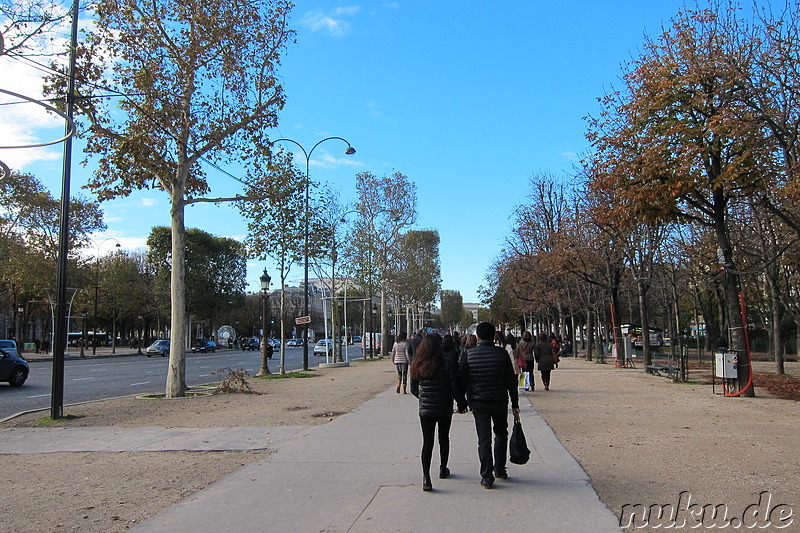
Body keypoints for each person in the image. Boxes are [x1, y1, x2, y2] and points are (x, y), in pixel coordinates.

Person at [459, 322, 520, 489]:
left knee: (483, 439)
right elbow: (510, 381)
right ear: (494, 336)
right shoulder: (501, 354)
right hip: (499, 399)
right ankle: (499, 468)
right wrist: (515, 403)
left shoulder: (469, 354)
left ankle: (487, 476)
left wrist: (462, 402)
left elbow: (462, 380)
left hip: (479, 401)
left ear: (478, 336)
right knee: (501, 433)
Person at [409, 333, 467, 492]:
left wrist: (424, 398)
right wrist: (461, 403)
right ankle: (443, 467)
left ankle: (426, 477)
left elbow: (413, 388)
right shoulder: (446, 363)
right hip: (444, 407)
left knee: (427, 442)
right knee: (444, 438)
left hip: (426, 409)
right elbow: (454, 386)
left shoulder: (417, 364)